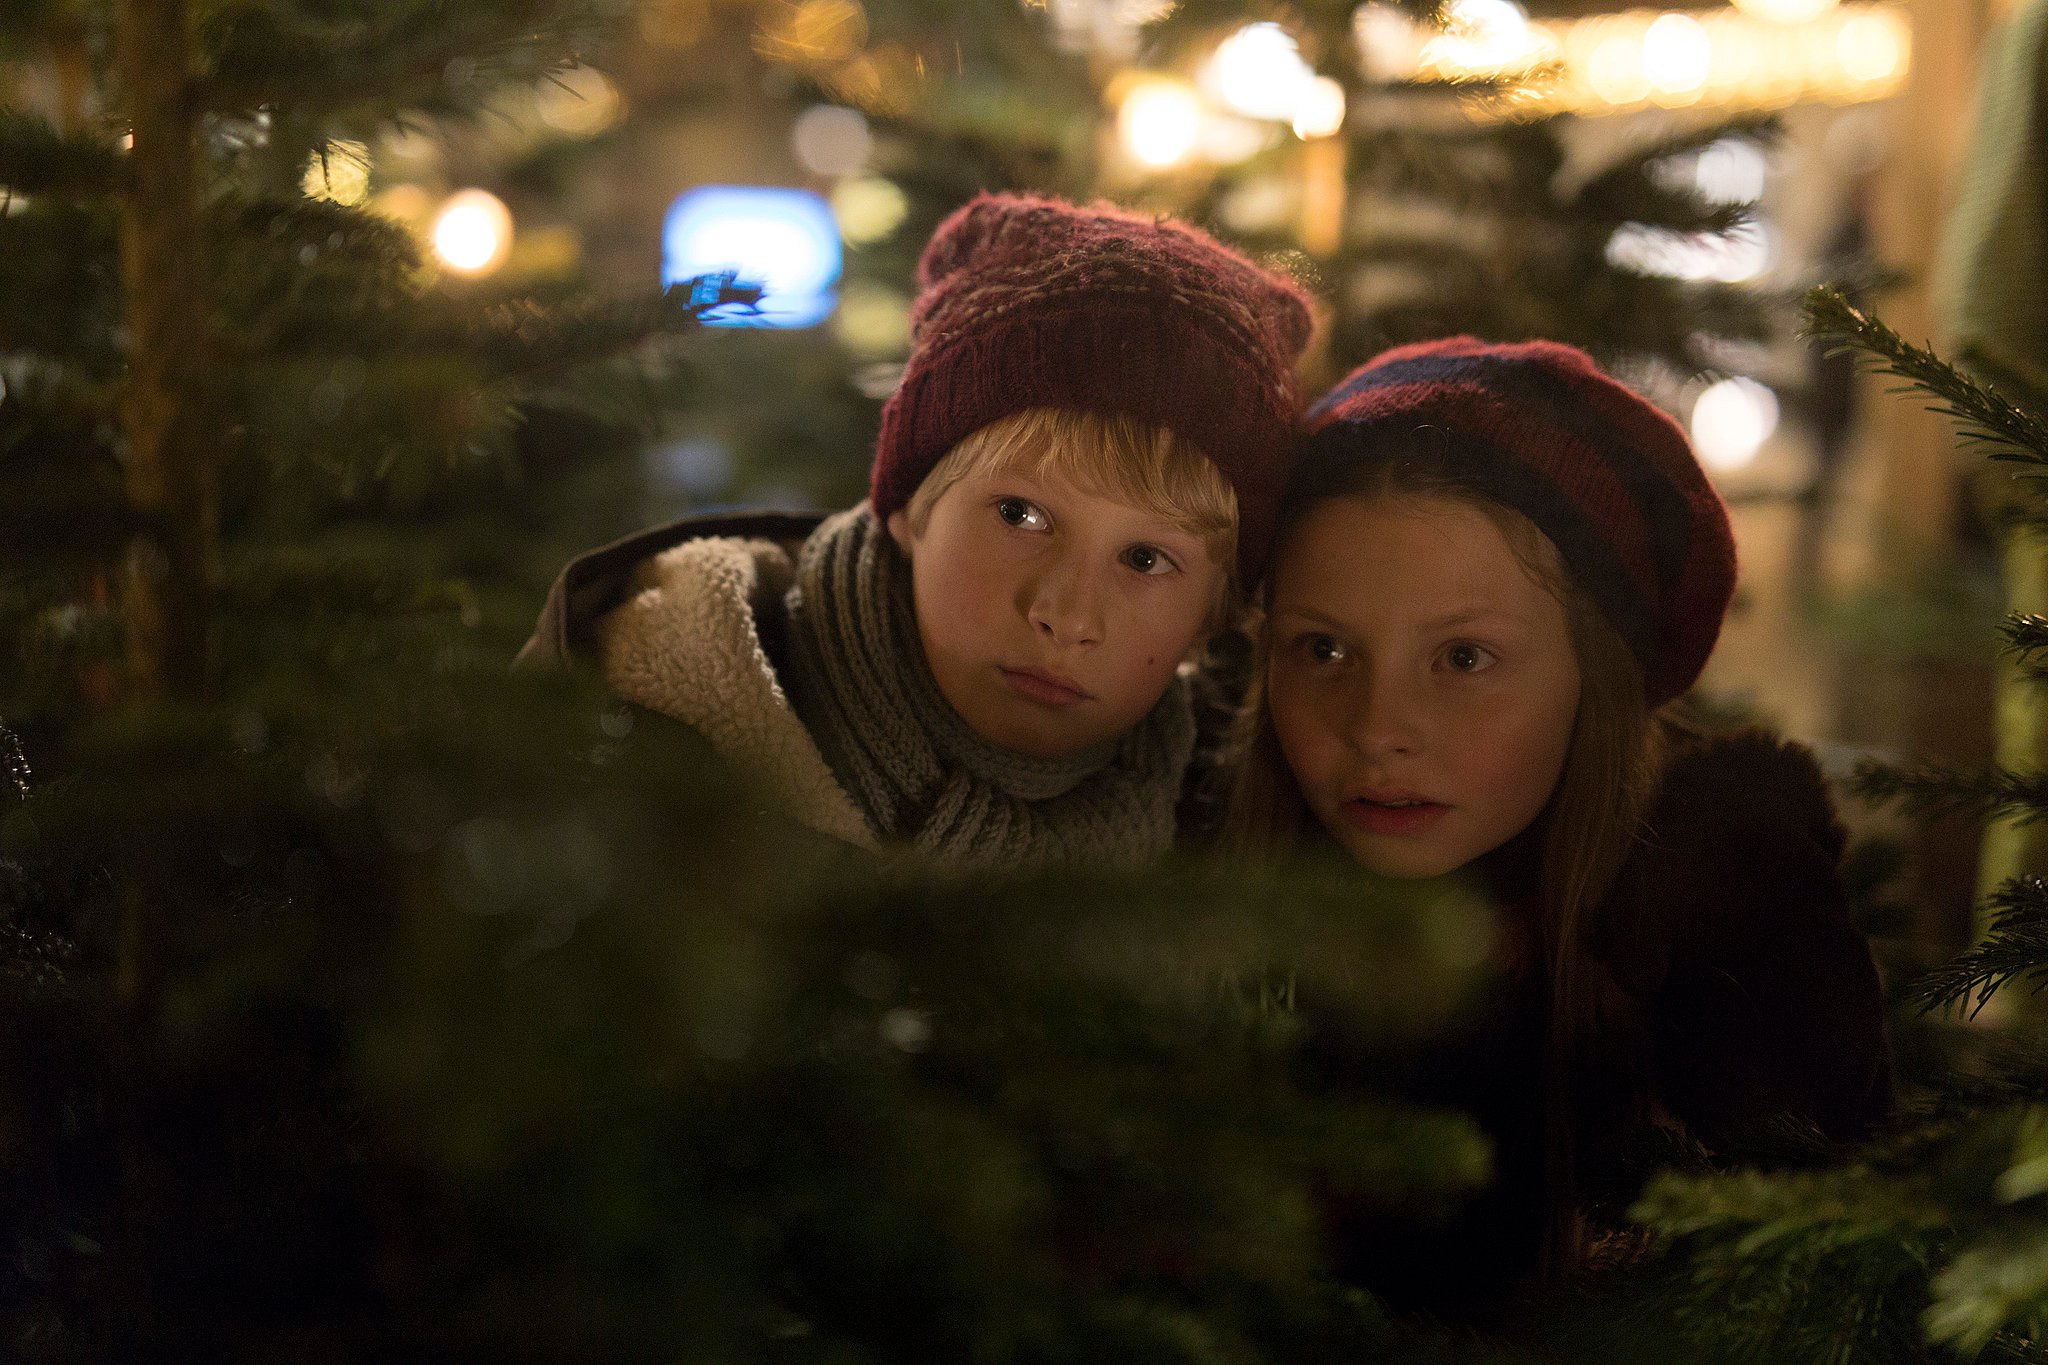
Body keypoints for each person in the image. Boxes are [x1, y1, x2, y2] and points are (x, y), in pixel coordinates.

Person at [1228, 336, 1893, 1314]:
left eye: (1462, 659)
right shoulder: (1195, 878)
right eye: (1321, 648)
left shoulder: (1717, 931)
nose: (1375, 729)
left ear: (1594, 676)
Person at [518, 192, 1312, 869]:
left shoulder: (1231, 844)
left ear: (1213, 615)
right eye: (1020, 514)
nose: (1066, 613)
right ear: (908, 507)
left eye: (1145, 557)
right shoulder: (638, 737)